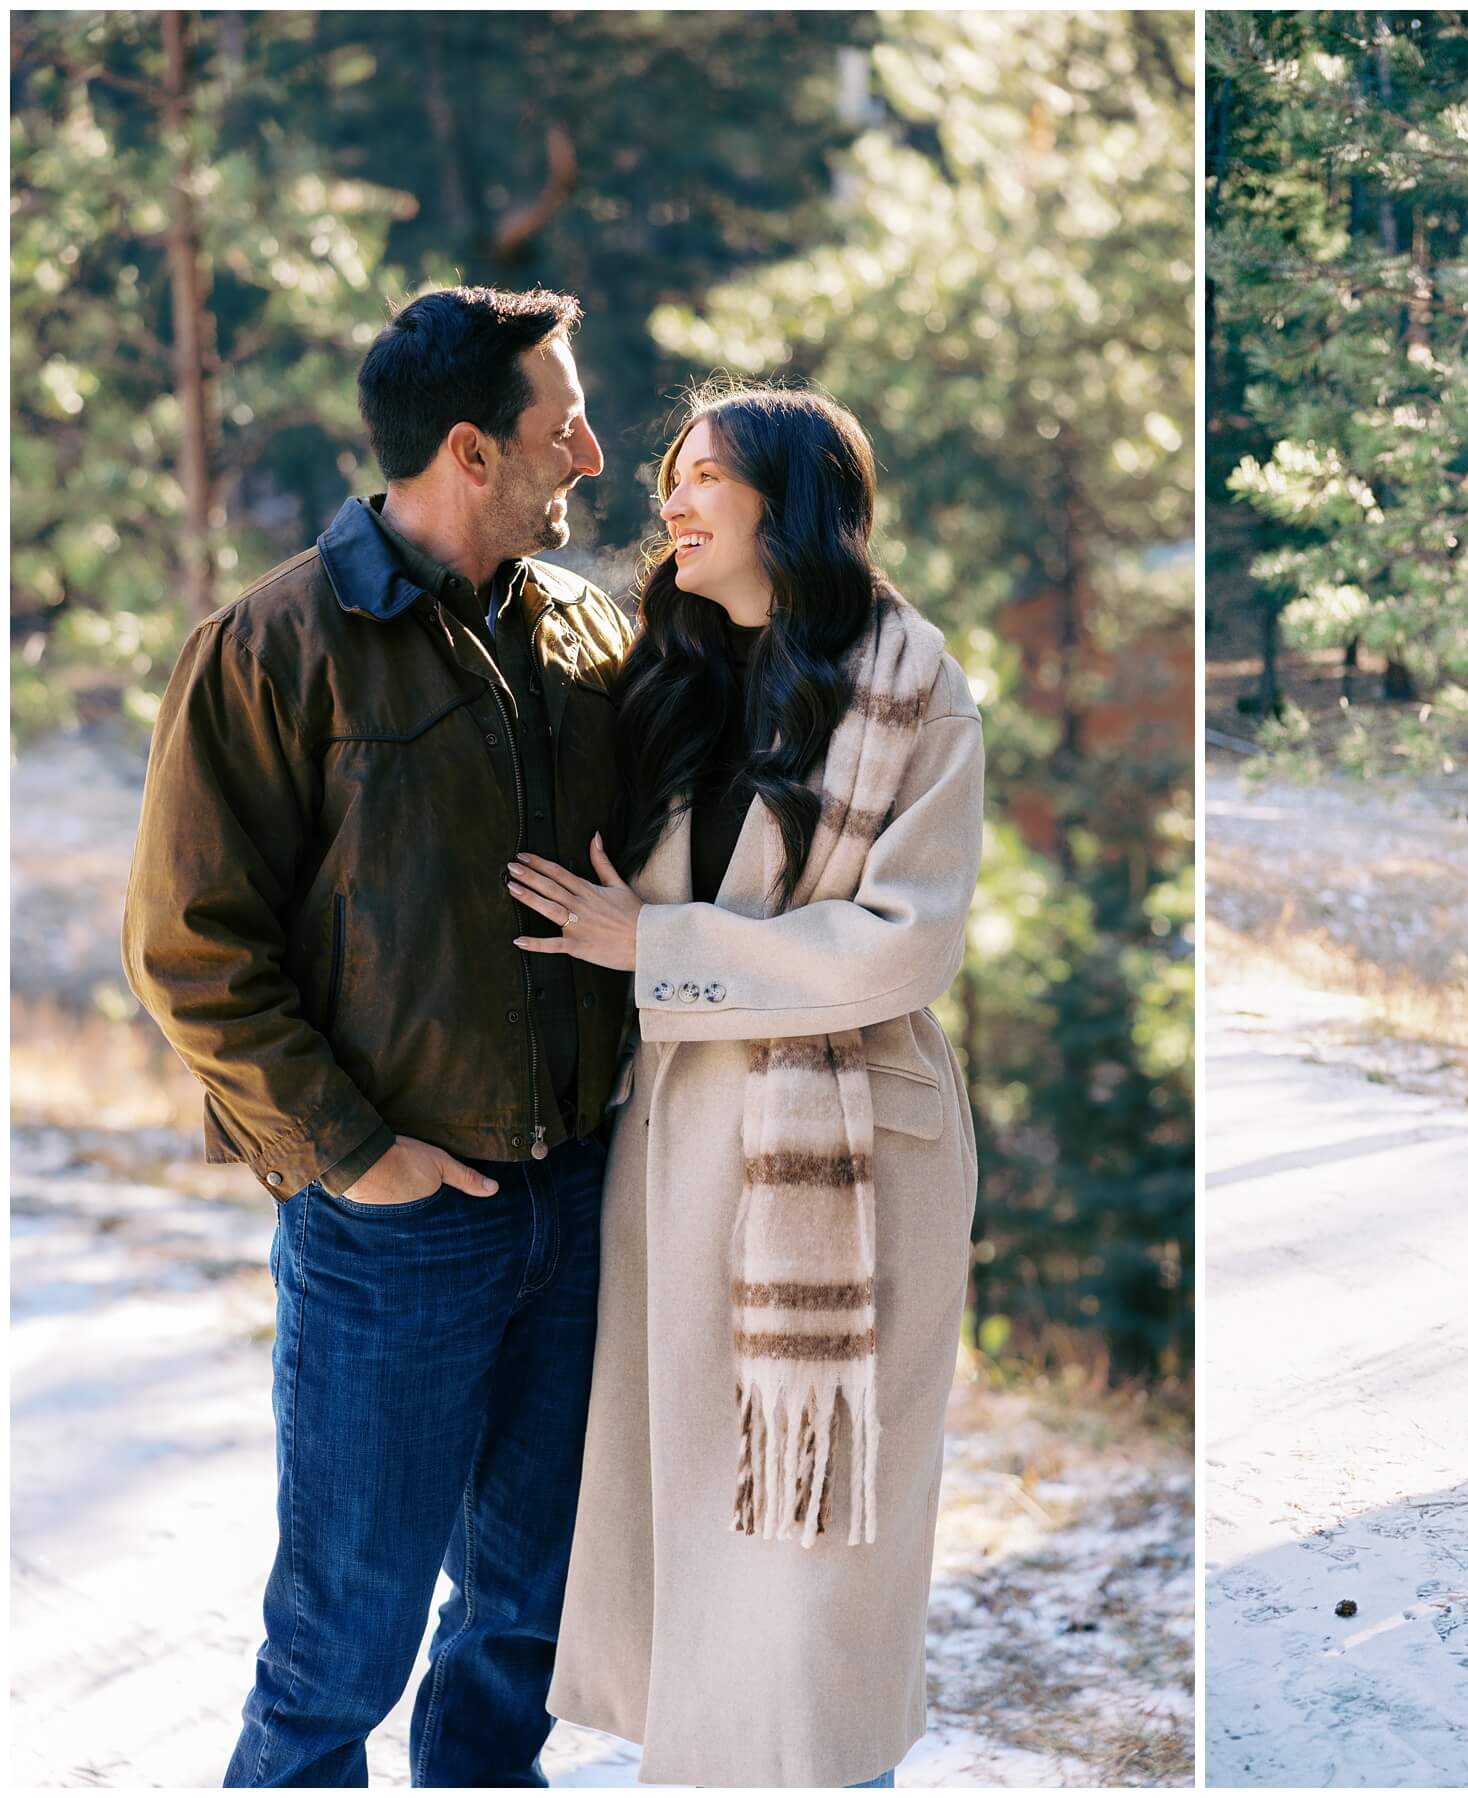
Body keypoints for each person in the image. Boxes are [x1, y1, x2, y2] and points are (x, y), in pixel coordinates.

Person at [122, 286, 633, 1785]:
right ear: (471, 451)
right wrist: (355, 1155)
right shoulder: (273, 645)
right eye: (563, 426)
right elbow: (189, 947)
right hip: (393, 1229)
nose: (592, 452)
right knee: (341, 1645)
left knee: (519, 1629)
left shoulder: (586, 630)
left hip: (581, 1205)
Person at [520, 383, 984, 1787]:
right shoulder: (664, 675)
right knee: (702, 1528)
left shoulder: (909, 679)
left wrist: (656, 947)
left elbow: (906, 940)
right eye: (673, 472)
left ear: (792, 501)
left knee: (811, 1568)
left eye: (707, 474)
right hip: (678, 1155)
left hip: (850, 1159)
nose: (674, 499)